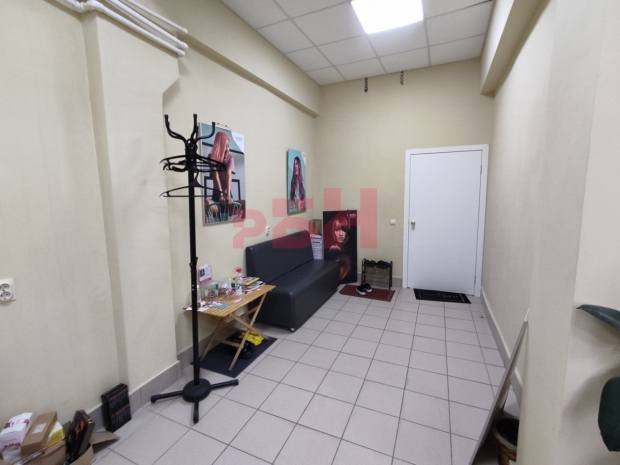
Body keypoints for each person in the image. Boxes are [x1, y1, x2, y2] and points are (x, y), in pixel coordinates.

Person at [206, 131, 235, 222]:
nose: (227, 148)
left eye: (228, 146)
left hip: (228, 192)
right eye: (225, 146)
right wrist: (221, 194)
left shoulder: (230, 158)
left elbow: (228, 175)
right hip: (217, 192)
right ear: (220, 145)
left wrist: (228, 196)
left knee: (228, 216)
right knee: (217, 218)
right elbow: (216, 176)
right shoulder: (211, 157)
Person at [326, 212, 355, 282]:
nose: (341, 234)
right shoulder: (334, 250)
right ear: (333, 232)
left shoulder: (342, 249)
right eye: (337, 230)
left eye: (344, 230)